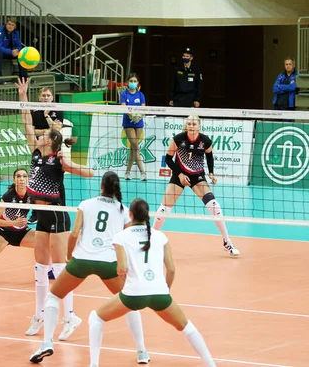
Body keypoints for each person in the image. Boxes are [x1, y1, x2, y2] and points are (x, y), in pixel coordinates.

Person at [29, 171, 149, 364]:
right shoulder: (123, 210)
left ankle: (47, 342)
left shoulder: (86, 204)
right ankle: (142, 351)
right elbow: (127, 242)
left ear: (101, 186)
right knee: (129, 303)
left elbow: (74, 233)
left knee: (53, 296)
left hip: (82, 260)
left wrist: (69, 256)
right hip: (108, 263)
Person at [88, 198, 216, 367]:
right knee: (187, 327)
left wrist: (125, 279)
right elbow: (171, 269)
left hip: (133, 295)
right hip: (160, 294)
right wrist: (165, 290)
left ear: (130, 214)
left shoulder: (120, 237)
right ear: (147, 215)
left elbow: (121, 268)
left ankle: (94, 365)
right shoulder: (161, 236)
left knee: (95, 318)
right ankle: (211, 364)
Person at [17, 77, 94, 339]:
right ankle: (39, 315)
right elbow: (27, 122)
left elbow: (89, 173)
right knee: (40, 267)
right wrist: (23, 96)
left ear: (50, 141)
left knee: (60, 268)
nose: (38, 137)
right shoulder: (36, 153)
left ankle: (70, 316)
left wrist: (72, 165)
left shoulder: (59, 159)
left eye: (43, 136)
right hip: (41, 216)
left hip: (58, 215)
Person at [153, 115, 240, 256]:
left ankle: (227, 241)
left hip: (197, 176)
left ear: (199, 126)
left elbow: (209, 156)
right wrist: (180, 175)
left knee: (214, 205)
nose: (191, 125)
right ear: (186, 126)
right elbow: (168, 159)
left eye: (194, 123)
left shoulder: (205, 141)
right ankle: (152, 240)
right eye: (189, 123)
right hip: (179, 175)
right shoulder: (178, 139)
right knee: (163, 209)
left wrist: (211, 172)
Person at [28, 87, 63, 224]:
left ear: (52, 97)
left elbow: (57, 130)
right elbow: (31, 129)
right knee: (36, 180)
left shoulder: (58, 110)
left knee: (56, 180)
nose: (46, 97)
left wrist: (47, 116)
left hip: (54, 149)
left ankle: (59, 207)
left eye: (48, 95)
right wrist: (48, 131)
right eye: (43, 95)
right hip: (39, 148)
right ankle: (35, 213)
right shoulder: (34, 110)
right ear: (39, 97)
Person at [0, 17, 28, 84]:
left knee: (22, 54)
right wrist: (11, 52)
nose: (10, 26)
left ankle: (24, 79)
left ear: (15, 26)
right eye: (9, 24)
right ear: (6, 24)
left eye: (12, 25)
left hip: (5, 50)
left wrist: (17, 50)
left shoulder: (16, 32)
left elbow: (19, 45)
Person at [120, 72, 147, 181]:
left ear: (138, 83)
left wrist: (139, 116)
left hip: (139, 122)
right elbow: (124, 108)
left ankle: (127, 172)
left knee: (133, 147)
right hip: (128, 122)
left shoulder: (141, 95)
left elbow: (143, 108)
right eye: (131, 81)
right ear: (127, 83)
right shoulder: (123, 94)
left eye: (135, 81)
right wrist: (132, 116)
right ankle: (143, 172)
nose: (133, 83)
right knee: (135, 146)